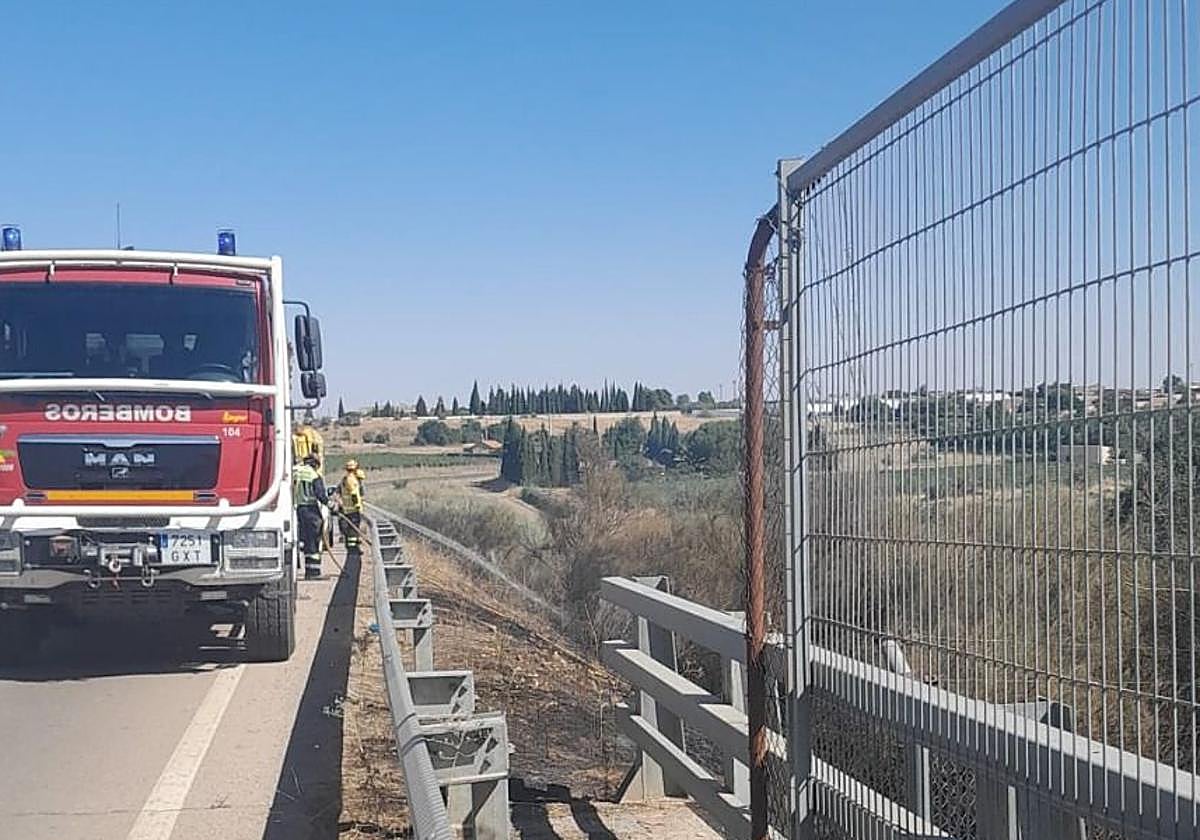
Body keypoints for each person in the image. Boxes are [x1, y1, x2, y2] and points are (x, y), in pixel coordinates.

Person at [292, 454, 327, 580]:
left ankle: (303, 570)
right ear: (315, 464)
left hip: (296, 510)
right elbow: (320, 495)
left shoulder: (294, 471)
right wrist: (331, 505)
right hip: (310, 509)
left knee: (303, 541)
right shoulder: (313, 475)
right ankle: (313, 572)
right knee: (313, 540)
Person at [337, 459, 364, 551]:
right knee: (353, 531)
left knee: (349, 531)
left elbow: (338, 492)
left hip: (345, 509)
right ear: (355, 468)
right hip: (352, 510)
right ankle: (353, 549)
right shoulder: (351, 479)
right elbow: (354, 494)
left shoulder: (344, 479)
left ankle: (351, 547)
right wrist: (357, 506)